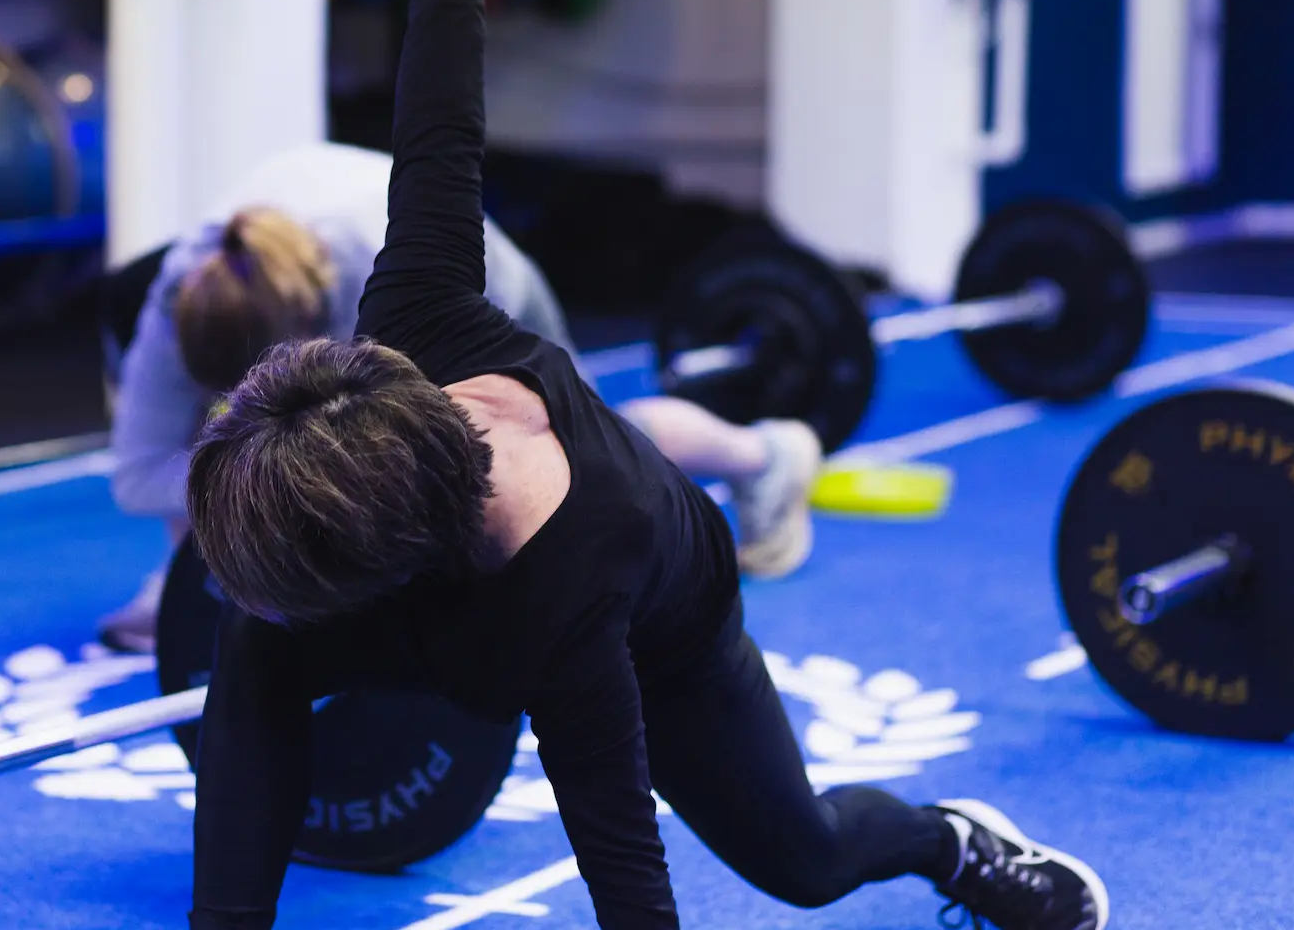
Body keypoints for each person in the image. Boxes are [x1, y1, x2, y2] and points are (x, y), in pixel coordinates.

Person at [177, 0, 1108, 930]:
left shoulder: (571, 590)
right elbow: (437, 134)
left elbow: (619, 854)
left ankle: (948, 839)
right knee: (253, 646)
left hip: (660, 622)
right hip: (403, 550)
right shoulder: (410, 315)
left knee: (803, 858)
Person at [98, 144, 821, 654]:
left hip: (478, 277)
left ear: (308, 330)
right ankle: (189, 577)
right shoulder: (180, 301)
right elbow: (137, 475)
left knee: (583, 458)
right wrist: (223, 517)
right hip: (331, 252)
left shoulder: (378, 289)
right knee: (247, 458)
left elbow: (393, 478)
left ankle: (764, 455)